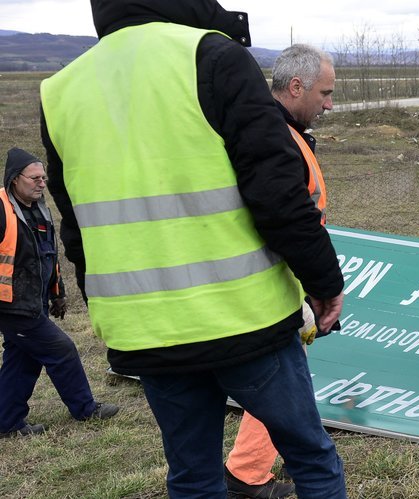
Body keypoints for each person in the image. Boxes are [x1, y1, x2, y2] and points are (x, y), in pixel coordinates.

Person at [39, 1, 346, 498]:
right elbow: (277, 192)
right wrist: (324, 282)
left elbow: (74, 226)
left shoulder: (59, 90)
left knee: (192, 475)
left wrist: (104, 304)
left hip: (148, 330)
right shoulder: (213, 55)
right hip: (244, 319)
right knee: (312, 459)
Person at [224, 43, 335, 499]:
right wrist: (319, 287)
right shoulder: (274, 137)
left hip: (283, 284)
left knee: (288, 378)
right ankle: (246, 474)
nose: (329, 104)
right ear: (295, 87)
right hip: (276, 288)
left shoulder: (271, 130)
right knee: (281, 386)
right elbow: (285, 217)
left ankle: (249, 468)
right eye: (325, 93)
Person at [0, 147, 119, 439]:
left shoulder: (38, 210)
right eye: (35, 178)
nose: (42, 183)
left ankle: (7, 422)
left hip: (33, 301)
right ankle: (85, 409)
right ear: (15, 179)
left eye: (44, 177)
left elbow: (47, 257)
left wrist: (57, 293)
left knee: (23, 358)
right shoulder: (1, 210)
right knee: (60, 349)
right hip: (12, 306)